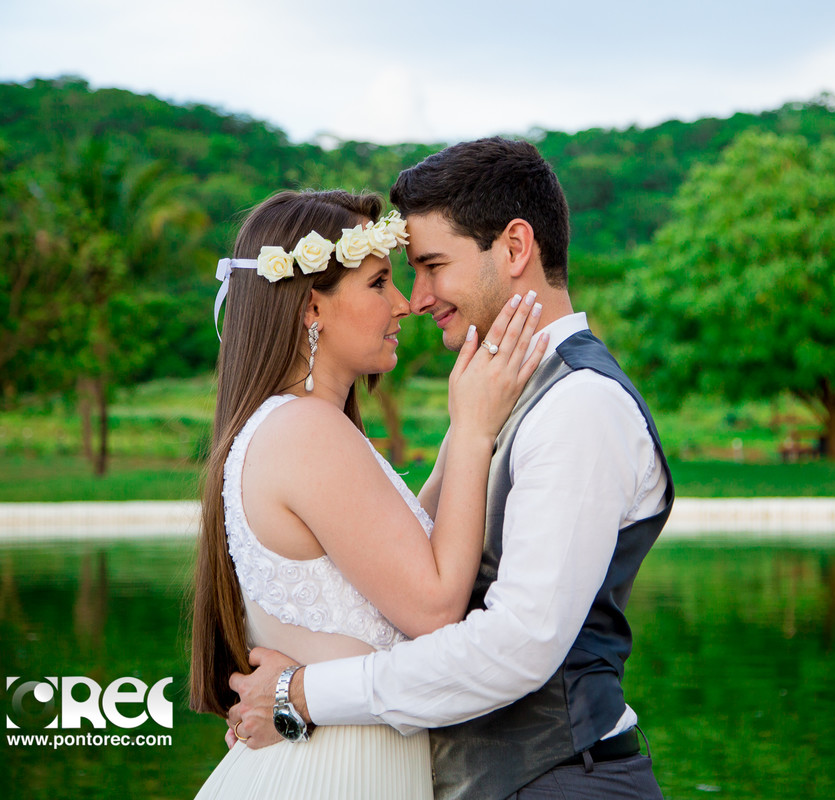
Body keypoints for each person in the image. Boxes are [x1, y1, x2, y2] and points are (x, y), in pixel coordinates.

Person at [227, 138, 675, 800]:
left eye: (433, 266)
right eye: (398, 276)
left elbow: (520, 642)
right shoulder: (496, 400)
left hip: (559, 783)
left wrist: (304, 691)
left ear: (516, 249)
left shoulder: (579, 404)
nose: (418, 297)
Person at [190, 188, 548, 799]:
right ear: (312, 309)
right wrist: (475, 429)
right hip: (332, 773)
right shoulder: (306, 431)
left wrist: (472, 424)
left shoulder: (296, 424)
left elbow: (411, 540)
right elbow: (435, 608)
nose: (406, 304)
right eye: (380, 283)